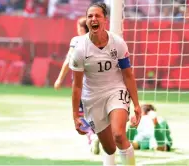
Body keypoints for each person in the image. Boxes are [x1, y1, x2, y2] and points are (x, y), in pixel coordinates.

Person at [69, 2, 141, 166]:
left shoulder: (118, 43)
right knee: (109, 148)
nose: (93, 19)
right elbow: (77, 86)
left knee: (118, 135)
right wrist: (75, 116)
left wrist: (136, 104)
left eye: (97, 16)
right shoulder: (80, 50)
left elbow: (128, 75)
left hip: (116, 90)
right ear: (87, 22)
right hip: (92, 98)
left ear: (105, 20)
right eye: (90, 16)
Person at [53, 16, 100, 155]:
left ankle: (92, 136)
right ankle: (99, 135)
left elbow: (69, 59)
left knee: (80, 115)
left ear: (81, 28)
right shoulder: (100, 40)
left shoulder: (76, 40)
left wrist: (60, 79)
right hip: (99, 83)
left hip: (82, 84)